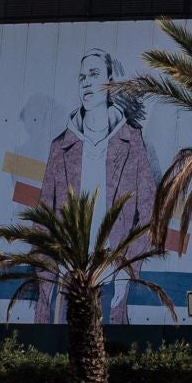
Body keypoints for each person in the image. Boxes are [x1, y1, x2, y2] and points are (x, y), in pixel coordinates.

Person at [33, 48, 156, 324]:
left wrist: (126, 267)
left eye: (94, 74)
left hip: (114, 275)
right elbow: (43, 218)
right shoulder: (61, 147)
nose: (86, 82)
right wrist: (44, 288)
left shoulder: (131, 142)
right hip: (69, 278)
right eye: (81, 77)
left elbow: (148, 212)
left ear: (111, 81)